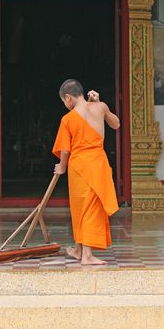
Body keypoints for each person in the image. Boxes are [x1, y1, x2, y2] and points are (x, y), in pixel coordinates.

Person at [52, 79, 120, 265]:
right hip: (98, 163)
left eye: (63, 102)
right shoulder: (100, 107)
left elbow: (65, 149)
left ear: (68, 97)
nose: (65, 105)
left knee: (83, 208)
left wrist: (62, 167)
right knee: (91, 207)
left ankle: (87, 255)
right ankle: (79, 249)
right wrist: (100, 104)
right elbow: (116, 124)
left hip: (79, 166)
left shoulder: (68, 119)